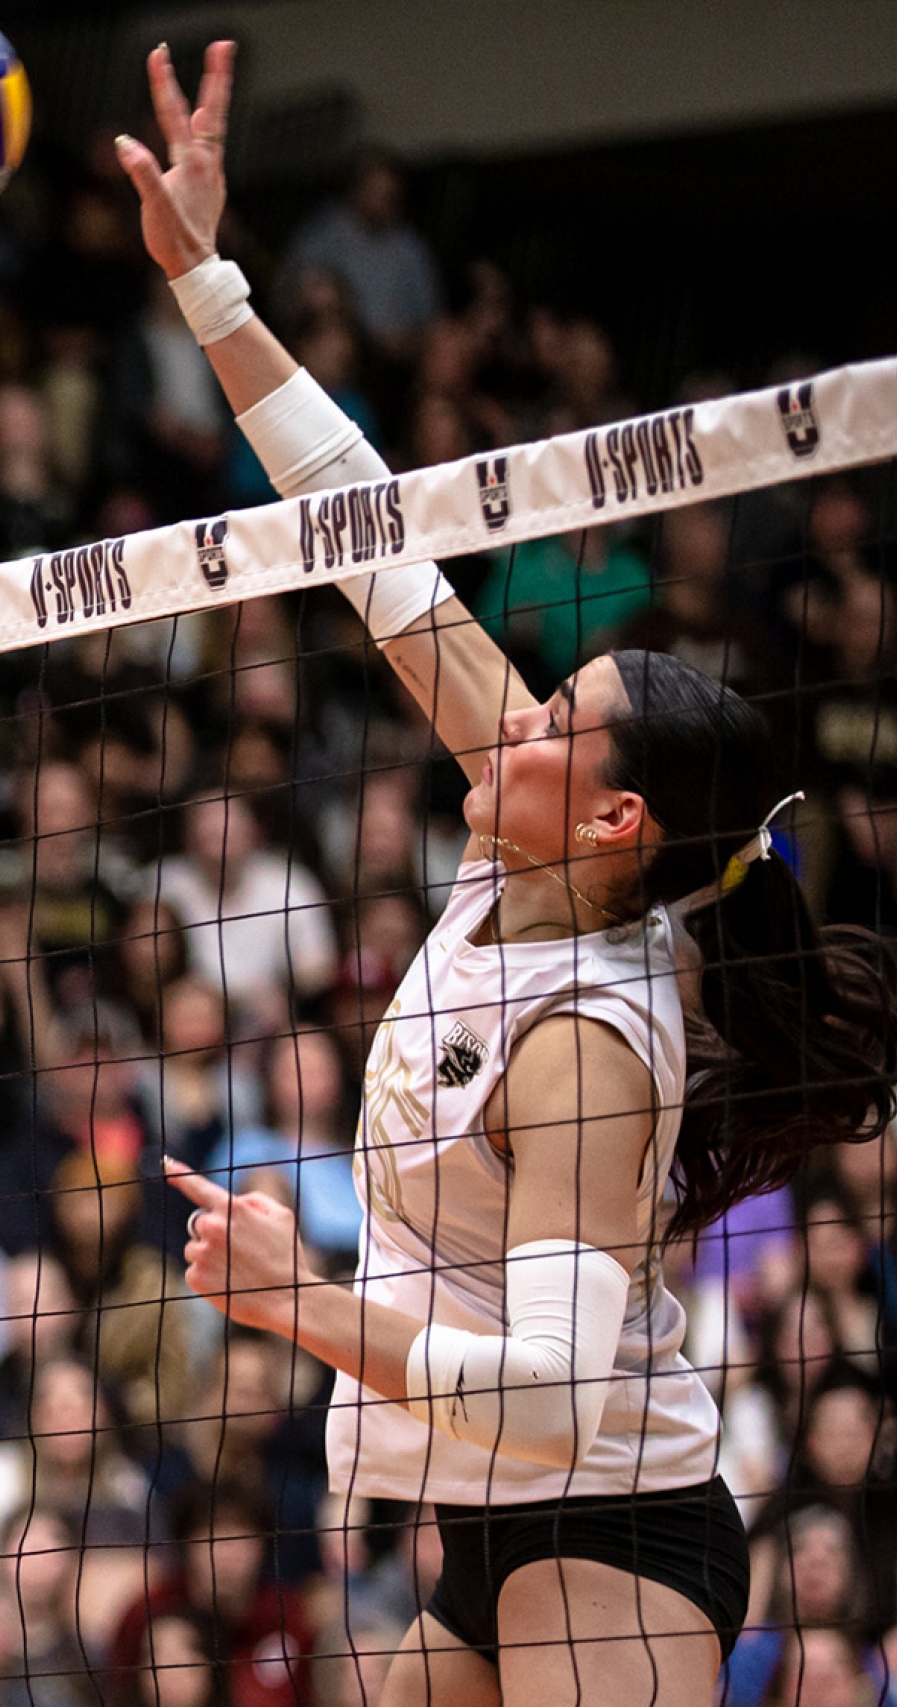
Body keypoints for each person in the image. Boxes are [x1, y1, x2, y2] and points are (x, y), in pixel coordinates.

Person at [125, 41, 897, 1707]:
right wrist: (206, 278)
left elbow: (552, 1396)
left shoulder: (588, 1045)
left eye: (557, 720)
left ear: (615, 821)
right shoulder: (519, 835)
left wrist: (299, 1302)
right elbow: (361, 526)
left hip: (608, 1523)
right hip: (485, 1518)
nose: (516, 718)